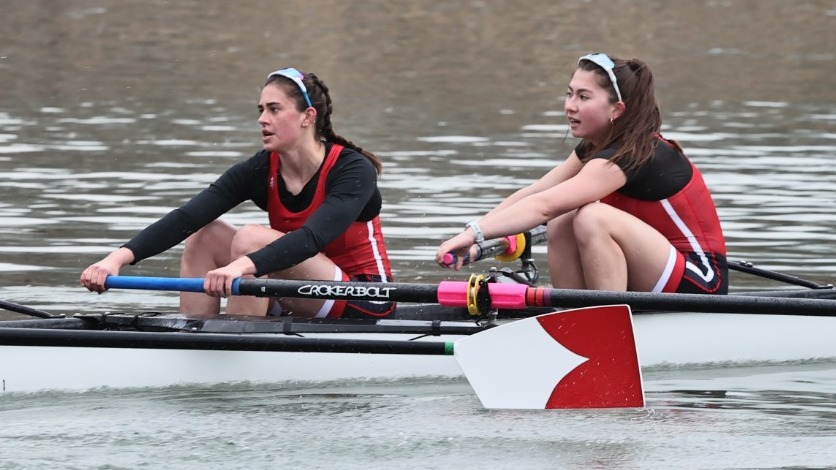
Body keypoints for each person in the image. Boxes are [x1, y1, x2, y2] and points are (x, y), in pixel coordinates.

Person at [81, 67, 394, 318]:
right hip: (295, 290)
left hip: (363, 299)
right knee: (204, 233)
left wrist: (239, 266)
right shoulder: (261, 168)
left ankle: (237, 341)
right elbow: (188, 216)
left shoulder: (353, 170)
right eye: (260, 109)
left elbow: (311, 239)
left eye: (274, 109)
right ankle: (195, 332)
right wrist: (115, 260)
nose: (262, 119)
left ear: (307, 117)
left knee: (250, 239)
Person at [436, 53, 727, 295]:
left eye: (583, 96)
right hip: (657, 271)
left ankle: (606, 323)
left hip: (701, 282)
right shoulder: (595, 149)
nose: (570, 106)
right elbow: (535, 193)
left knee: (590, 217)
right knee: (564, 217)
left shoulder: (631, 154)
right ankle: (573, 313)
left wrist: (477, 232)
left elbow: (542, 206)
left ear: (617, 109)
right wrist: (473, 238)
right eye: (569, 93)